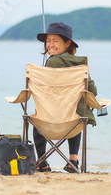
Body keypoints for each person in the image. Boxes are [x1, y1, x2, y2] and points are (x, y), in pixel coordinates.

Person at [33, 22, 98, 173]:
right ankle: (73, 160)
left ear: (67, 43)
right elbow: (93, 90)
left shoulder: (53, 61)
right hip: (73, 122)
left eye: (55, 40)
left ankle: (42, 162)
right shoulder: (80, 65)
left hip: (49, 119)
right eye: (48, 41)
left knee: (37, 118)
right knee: (76, 110)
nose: (50, 45)